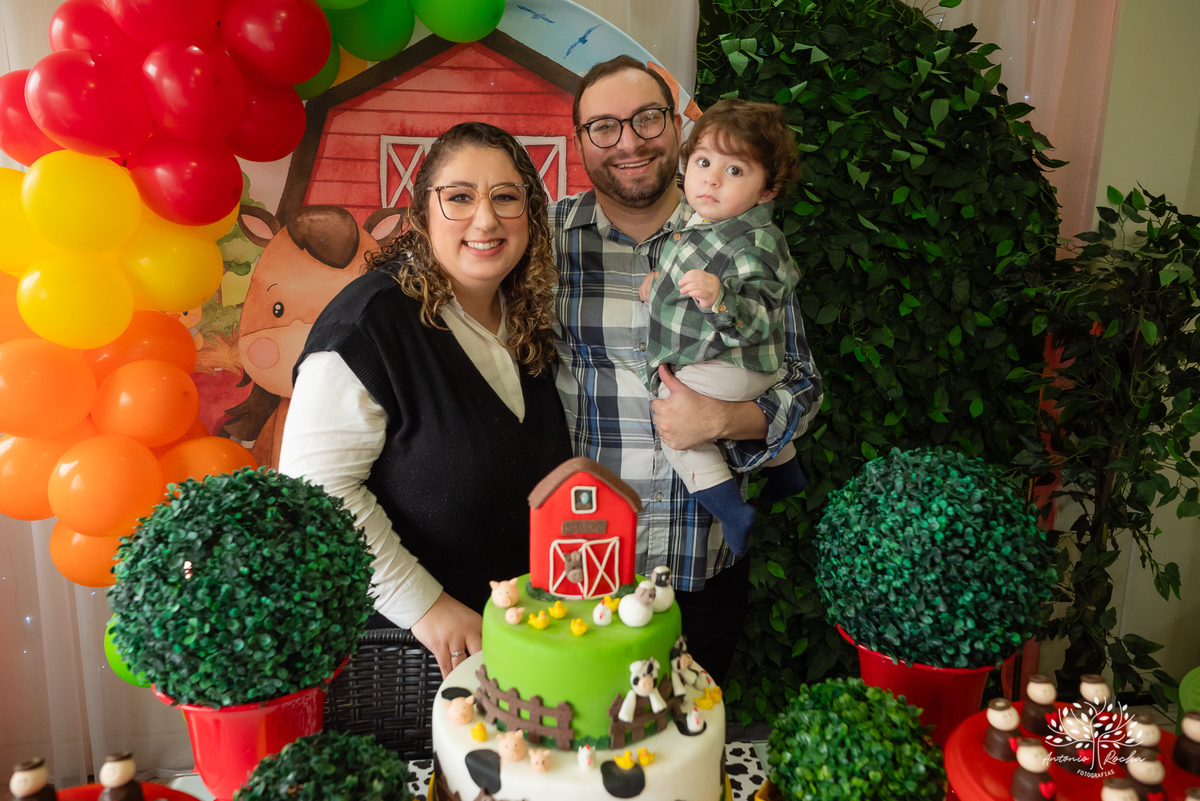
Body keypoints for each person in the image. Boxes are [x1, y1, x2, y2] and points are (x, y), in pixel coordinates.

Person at [550, 56, 823, 684]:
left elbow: (801, 382)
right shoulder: (549, 239)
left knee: (686, 762)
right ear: (581, 143)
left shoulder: (741, 239)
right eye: (603, 127)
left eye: (647, 119)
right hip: (582, 568)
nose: (629, 142)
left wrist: (724, 418)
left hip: (699, 571)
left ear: (678, 128)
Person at [279, 122, 572, 677]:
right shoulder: (368, 328)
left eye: (505, 198)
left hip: (525, 642)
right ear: (420, 217)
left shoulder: (525, 313)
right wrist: (427, 607)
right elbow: (314, 494)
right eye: (459, 197)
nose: (485, 220)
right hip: (411, 660)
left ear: (530, 217)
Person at [637, 98, 807, 557]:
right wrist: (661, 284)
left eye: (735, 171)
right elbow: (685, 273)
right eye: (704, 161)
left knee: (673, 419)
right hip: (729, 362)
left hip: (736, 362)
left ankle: (732, 510)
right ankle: (786, 467)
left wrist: (721, 298)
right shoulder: (702, 224)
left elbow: (760, 316)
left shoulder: (754, 238)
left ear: (766, 190)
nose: (711, 178)